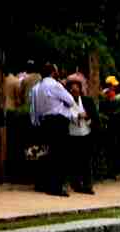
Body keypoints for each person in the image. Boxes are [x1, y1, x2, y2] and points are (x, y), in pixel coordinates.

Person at [31, 64, 76, 197]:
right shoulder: (55, 85)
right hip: (58, 122)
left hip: (45, 122)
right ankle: (56, 186)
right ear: (52, 72)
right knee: (60, 155)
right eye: (56, 70)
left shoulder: (37, 88)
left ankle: (45, 184)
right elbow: (71, 100)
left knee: (48, 155)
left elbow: (35, 109)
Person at [65, 79, 98, 194]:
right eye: (72, 89)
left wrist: (87, 115)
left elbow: (94, 115)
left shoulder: (86, 101)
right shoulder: (66, 103)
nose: (74, 91)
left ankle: (88, 185)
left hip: (85, 133)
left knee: (86, 161)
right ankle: (76, 184)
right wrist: (78, 116)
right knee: (75, 161)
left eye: (76, 89)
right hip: (72, 134)